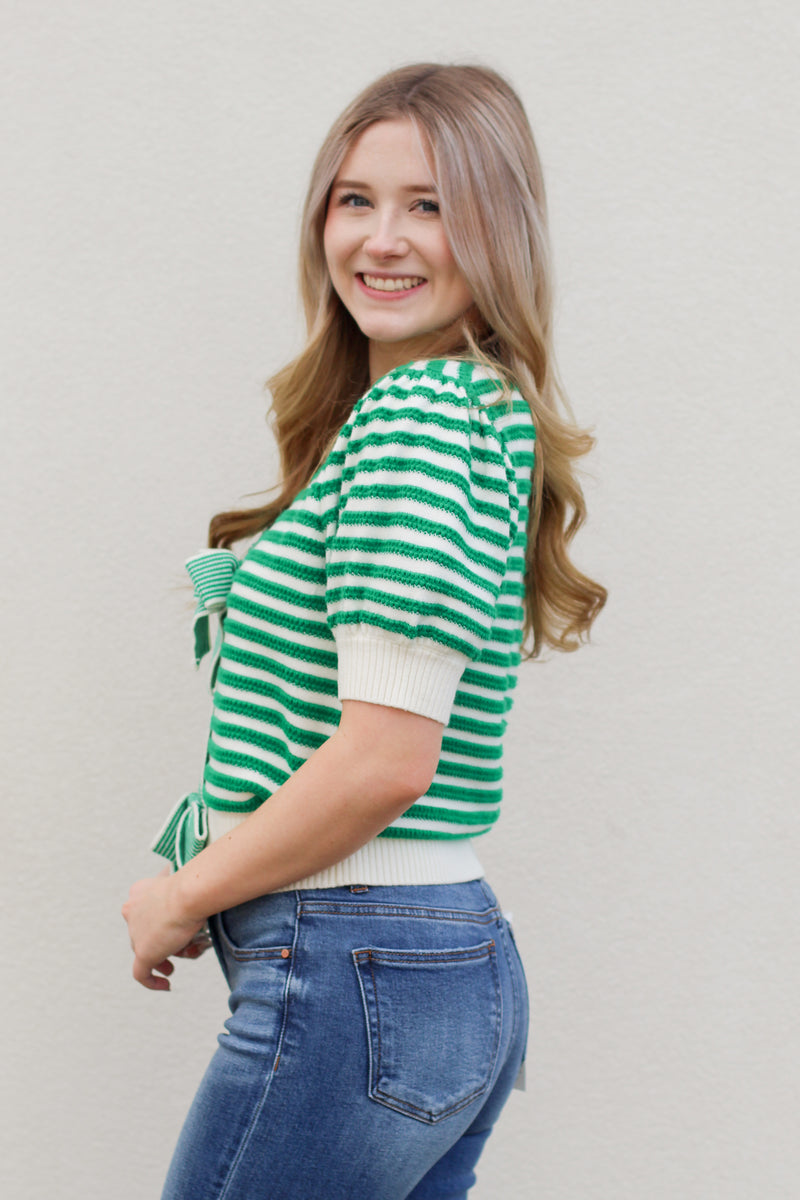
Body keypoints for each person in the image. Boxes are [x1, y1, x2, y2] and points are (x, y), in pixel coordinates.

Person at [122, 62, 607, 1200]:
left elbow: (386, 760)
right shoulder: (465, 411)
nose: (381, 239)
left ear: (496, 230)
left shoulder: (421, 417)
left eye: (429, 205)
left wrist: (182, 897)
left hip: (355, 961)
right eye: (354, 199)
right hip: (412, 966)